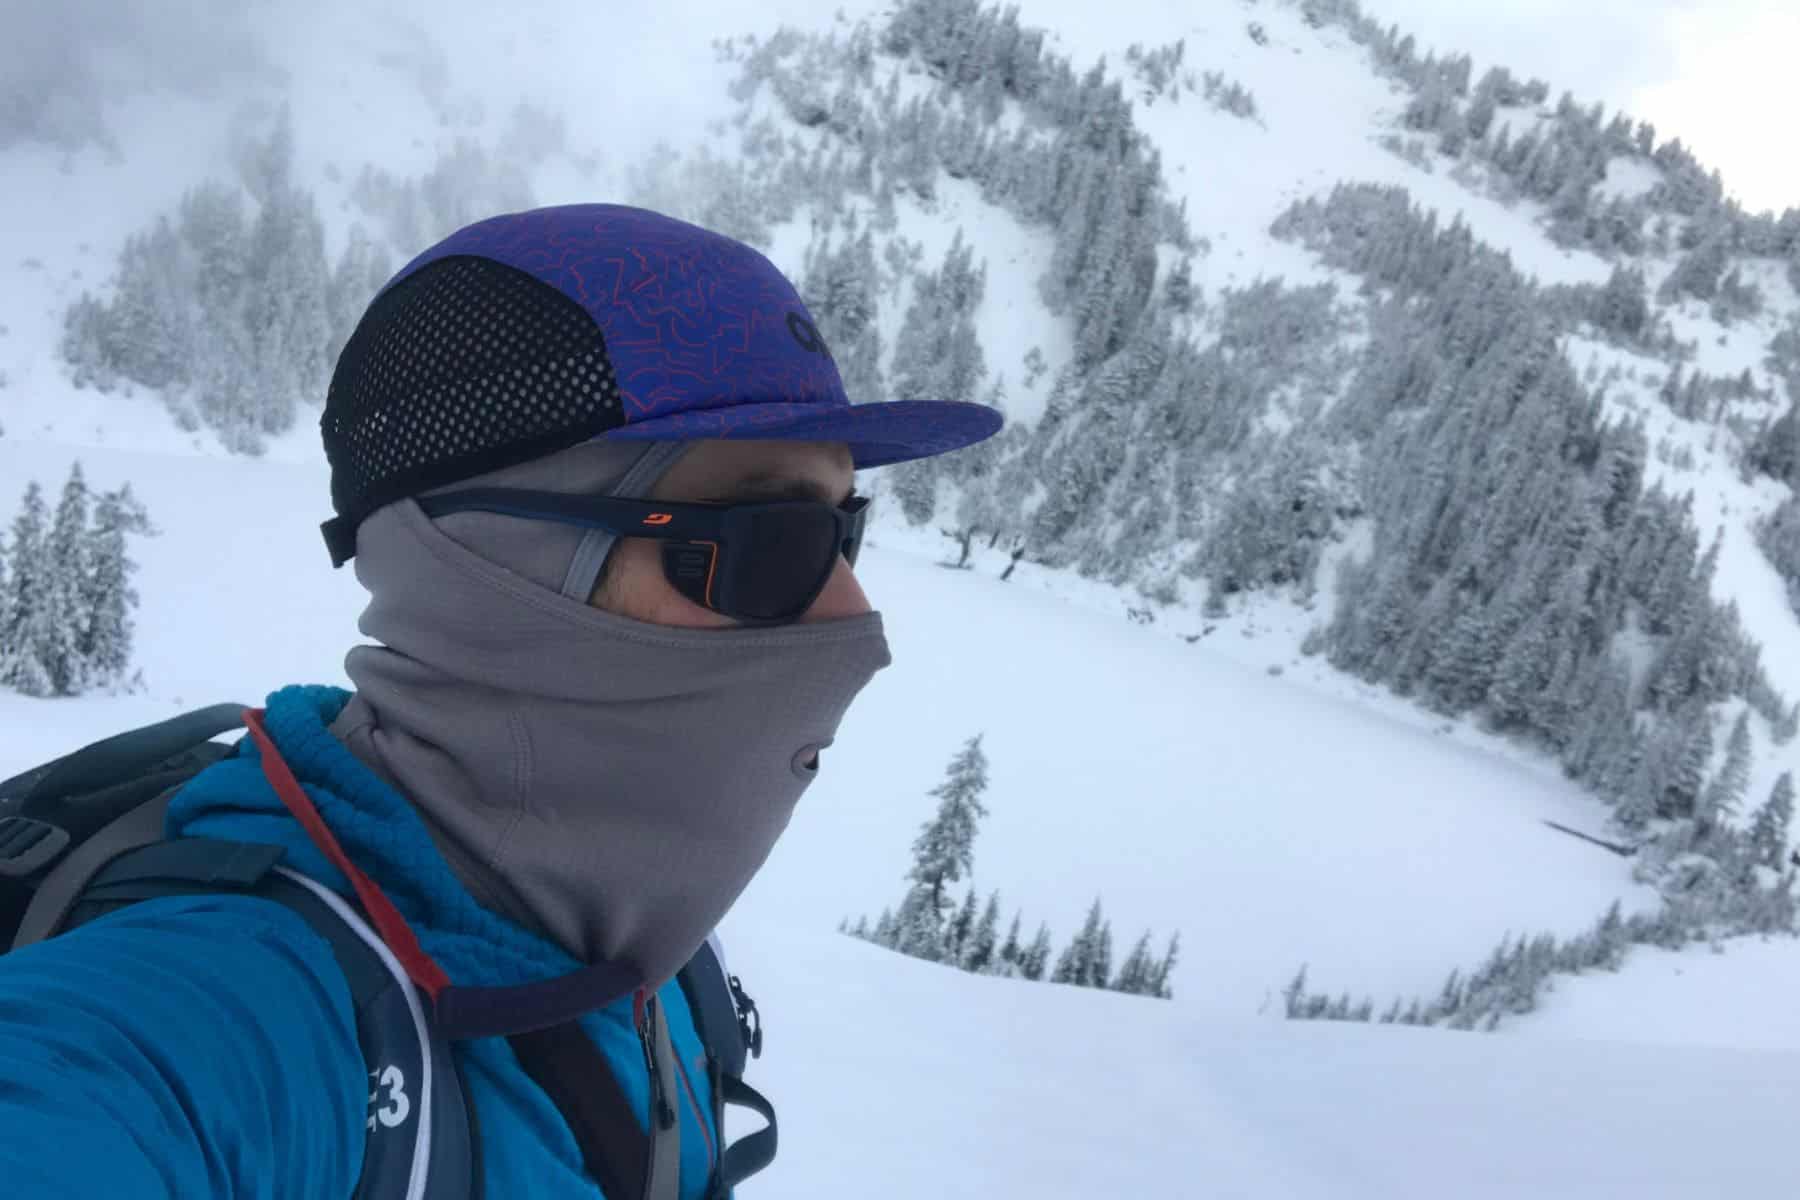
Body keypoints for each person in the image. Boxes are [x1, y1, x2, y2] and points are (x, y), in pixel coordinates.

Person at [0, 203, 1001, 1198]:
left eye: (845, 535)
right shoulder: (208, 1022)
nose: (852, 613)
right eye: (769, 543)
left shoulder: (649, 956)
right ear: (487, 569)